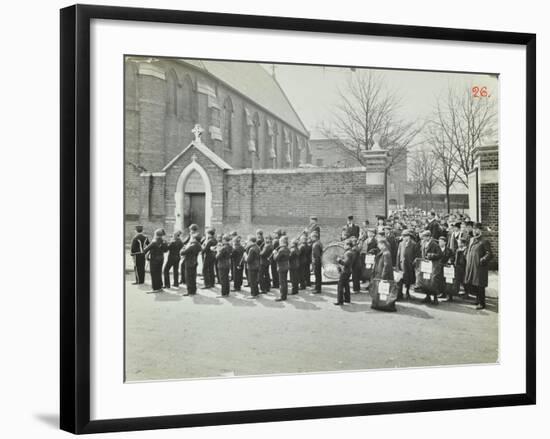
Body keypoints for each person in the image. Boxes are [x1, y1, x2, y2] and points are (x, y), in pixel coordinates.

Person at [464, 222, 493, 310]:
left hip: (480, 267)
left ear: (480, 230)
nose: (474, 231)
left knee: (480, 285)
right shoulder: (472, 239)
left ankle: (482, 303)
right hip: (472, 265)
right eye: (473, 229)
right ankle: (477, 300)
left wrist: (482, 260)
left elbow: (490, 254)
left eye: (476, 229)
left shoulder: (484, 241)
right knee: (474, 284)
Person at [419, 230, 443, 304]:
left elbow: (440, 254)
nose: (423, 238)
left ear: (429, 237)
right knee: (426, 281)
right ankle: (428, 296)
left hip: (433, 265)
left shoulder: (434, 244)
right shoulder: (423, 243)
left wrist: (431, 255)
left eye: (425, 237)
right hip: (425, 265)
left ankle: (435, 298)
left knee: (433, 282)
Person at [143, 228, 168, 293]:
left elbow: (145, 250)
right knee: (159, 273)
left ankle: (155, 288)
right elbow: (166, 250)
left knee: (154, 274)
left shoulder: (154, 242)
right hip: (161, 259)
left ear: (156, 234)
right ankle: (159, 287)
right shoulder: (164, 241)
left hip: (154, 260)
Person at [395, 229, 417, 300]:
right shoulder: (401, 244)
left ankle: (407, 292)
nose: (405, 238)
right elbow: (398, 255)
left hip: (409, 265)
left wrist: (413, 263)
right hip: (402, 264)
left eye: (406, 236)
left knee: (409, 279)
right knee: (400, 279)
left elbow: (415, 255)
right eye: (404, 236)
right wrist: (397, 265)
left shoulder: (413, 244)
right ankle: (400, 293)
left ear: (409, 236)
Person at [335, 239, 353, 305]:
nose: (344, 246)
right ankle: (347, 299)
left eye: (345, 245)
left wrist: (339, 260)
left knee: (340, 286)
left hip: (345, 271)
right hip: (348, 271)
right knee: (346, 285)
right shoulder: (350, 252)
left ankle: (340, 301)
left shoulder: (348, 253)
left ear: (348, 245)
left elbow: (345, 263)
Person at [436, 236, 455, 300]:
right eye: (439, 242)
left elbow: (452, 257)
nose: (439, 243)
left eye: (441, 242)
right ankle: (442, 293)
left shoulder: (449, 250)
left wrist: (450, 260)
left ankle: (450, 295)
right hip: (439, 267)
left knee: (448, 282)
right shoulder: (437, 249)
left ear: (445, 242)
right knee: (440, 281)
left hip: (446, 267)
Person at [273, 236, 290, 301]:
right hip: (286, 266)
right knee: (284, 281)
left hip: (281, 267)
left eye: (280, 242)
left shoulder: (281, 250)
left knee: (282, 282)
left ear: (282, 242)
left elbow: (276, 258)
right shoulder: (287, 249)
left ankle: (282, 296)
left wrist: (275, 253)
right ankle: (285, 294)